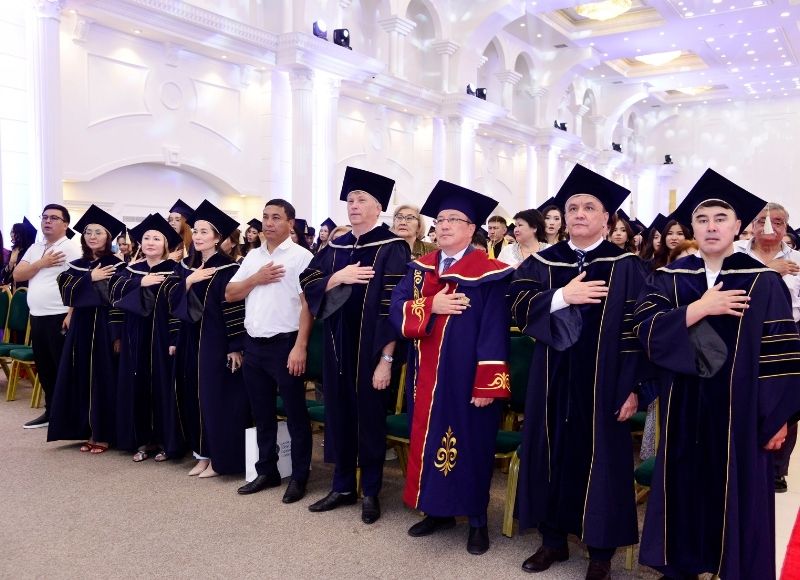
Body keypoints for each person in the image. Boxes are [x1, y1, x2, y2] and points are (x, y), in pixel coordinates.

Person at [634, 169, 800, 580]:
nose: (711, 227)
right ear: (692, 228)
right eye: (703, 219)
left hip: (742, 415)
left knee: (737, 492)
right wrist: (699, 309)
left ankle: (734, 568)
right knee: (683, 487)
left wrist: (777, 417)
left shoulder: (763, 282)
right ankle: (680, 567)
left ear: (738, 226)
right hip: (682, 408)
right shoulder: (669, 278)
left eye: (720, 218)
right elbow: (645, 330)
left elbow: (779, 354)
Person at [508, 164, 647, 580]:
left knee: (603, 460)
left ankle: (600, 552)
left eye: (589, 207)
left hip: (605, 384)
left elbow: (641, 331)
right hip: (551, 379)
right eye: (573, 208)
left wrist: (634, 388)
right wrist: (561, 296)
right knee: (550, 452)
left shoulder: (627, 266)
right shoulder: (543, 262)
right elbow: (515, 305)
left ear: (607, 218)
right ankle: (553, 540)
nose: (580, 214)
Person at [389, 180, 513, 555]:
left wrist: (487, 385)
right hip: (426, 378)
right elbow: (396, 311)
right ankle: (437, 510)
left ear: (471, 228)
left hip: (467, 378)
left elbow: (495, 331)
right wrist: (432, 306)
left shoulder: (491, 273)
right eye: (440, 219)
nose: (443, 225)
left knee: (471, 446)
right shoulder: (419, 270)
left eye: (453, 219)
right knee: (428, 442)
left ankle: (477, 520)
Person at [300, 166, 410, 524]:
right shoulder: (335, 246)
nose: (354, 205)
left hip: (372, 351)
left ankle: (372, 491)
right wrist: (338, 277)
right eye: (350, 199)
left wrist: (386, 360)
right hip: (336, 347)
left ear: (379, 207)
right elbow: (308, 282)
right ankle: (343, 486)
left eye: (362, 199)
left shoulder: (392, 248)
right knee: (338, 414)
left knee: (370, 418)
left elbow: (395, 307)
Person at [226, 199, 314, 502]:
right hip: (254, 344)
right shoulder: (253, 256)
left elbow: (307, 306)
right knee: (261, 412)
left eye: (276, 217)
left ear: (290, 223)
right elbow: (230, 293)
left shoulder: (302, 257)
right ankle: (267, 471)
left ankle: (300, 476)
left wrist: (300, 347)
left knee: (295, 414)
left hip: (286, 344)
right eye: (265, 217)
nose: (268, 222)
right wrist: (256, 278)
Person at [171, 200, 250, 477]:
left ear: (217, 238)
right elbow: (171, 301)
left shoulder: (228, 268)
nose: (198, 236)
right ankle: (201, 454)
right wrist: (188, 281)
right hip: (190, 339)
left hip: (216, 342)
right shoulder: (187, 267)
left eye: (205, 231)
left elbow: (235, 308)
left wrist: (235, 346)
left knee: (215, 399)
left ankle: (219, 459)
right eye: (196, 231)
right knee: (193, 394)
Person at [732, 202, 800, 493]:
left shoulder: (797, 259)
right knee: (744, 398)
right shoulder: (735, 253)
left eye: (778, 221)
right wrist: (767, 271)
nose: (769, 226)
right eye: (761, 220)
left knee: (786, 402)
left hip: (788, 334)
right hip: (740, 333)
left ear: (786, 226)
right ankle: (743, 461)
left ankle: (777, 469)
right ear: (751, 224)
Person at [47, 205, 126, 453]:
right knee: (81, 374)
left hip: (104, 326)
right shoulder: (78, 264)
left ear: (108, 237)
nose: (92, 236)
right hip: (81, 326)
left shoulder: (117, 265)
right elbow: (66, 290)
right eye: (89, 232)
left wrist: (117, 334)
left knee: (104, 377)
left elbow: (117, 300)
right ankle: (86, 430)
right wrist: (89, 279)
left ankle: (104, 433)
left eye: (98, 232)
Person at [110, 214, 184, 462]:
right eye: (147, 238)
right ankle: (140, 440)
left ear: (166, 244)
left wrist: (174, 338)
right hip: (135, 336)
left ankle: (164, 442)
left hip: (162, 337)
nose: (151, 242)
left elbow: (178, 306)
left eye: (157, 238)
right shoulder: (130, 270)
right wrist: (140, 282)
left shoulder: (175, 270)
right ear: (140, 242)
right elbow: (114, 296)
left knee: (162, 387)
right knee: (137, 384)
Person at [14, 204, 82, 428]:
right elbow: (18, 274)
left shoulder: (71, 248)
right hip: (37, 315)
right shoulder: (36, 247)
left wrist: (71, 313)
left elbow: (79, 285)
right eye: (44, 217)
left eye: (54, 218)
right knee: (44, 367)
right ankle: (51, 412)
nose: (47, 221)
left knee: (61, 367)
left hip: (59, 315)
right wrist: (41, 263)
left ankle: (67, 416)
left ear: (65, 224)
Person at [2, 218, 37, 290]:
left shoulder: (30, 252)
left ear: (22, 235)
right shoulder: (13, 252)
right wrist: (10, 264)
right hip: (14, 290)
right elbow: (5, 280)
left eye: (14, 232)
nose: (11, 235)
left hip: (27, 290)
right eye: (11, 232)